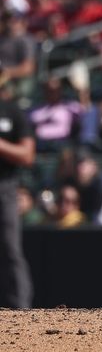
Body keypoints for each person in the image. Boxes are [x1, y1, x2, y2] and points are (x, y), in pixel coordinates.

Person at [0, 81, 35, 307]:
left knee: (10, 248)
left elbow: (27, 155)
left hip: (4, 187)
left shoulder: (11, 112)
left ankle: (20, 310)